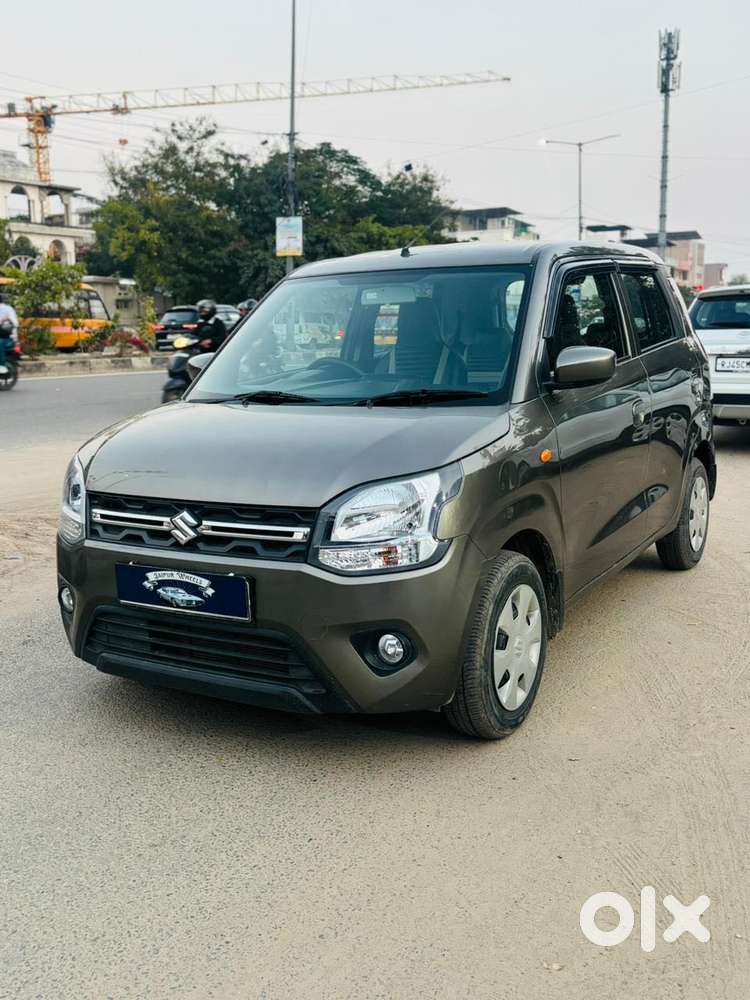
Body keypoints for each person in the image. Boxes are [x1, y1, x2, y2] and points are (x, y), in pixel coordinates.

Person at [0, 295, 19, 375]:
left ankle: (2, 366)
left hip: (7, 338)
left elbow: (16, 323)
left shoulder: (8, 309)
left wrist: (6, 319)